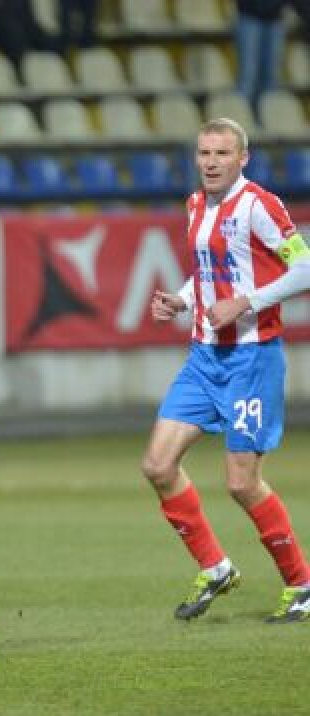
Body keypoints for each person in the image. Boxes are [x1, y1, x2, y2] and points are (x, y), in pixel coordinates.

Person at [144, 117, 310, 624]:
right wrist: (182, 298)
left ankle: (302, 585)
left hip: (251, 359)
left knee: (241, 483)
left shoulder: (259, 205)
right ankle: (215, 568)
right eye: (203, 153)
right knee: (158, 466)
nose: (211, 162)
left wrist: (246, 302)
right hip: (204, 356)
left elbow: (304, 266)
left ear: (243, 158)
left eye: (221, 153)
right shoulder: (195, 205)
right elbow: (209, 273)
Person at [234, 1, 287, 115]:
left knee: (271, 76)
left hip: (275, 19)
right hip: (249, 16)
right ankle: (241, 117)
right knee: (248, 75)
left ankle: (269, 117)